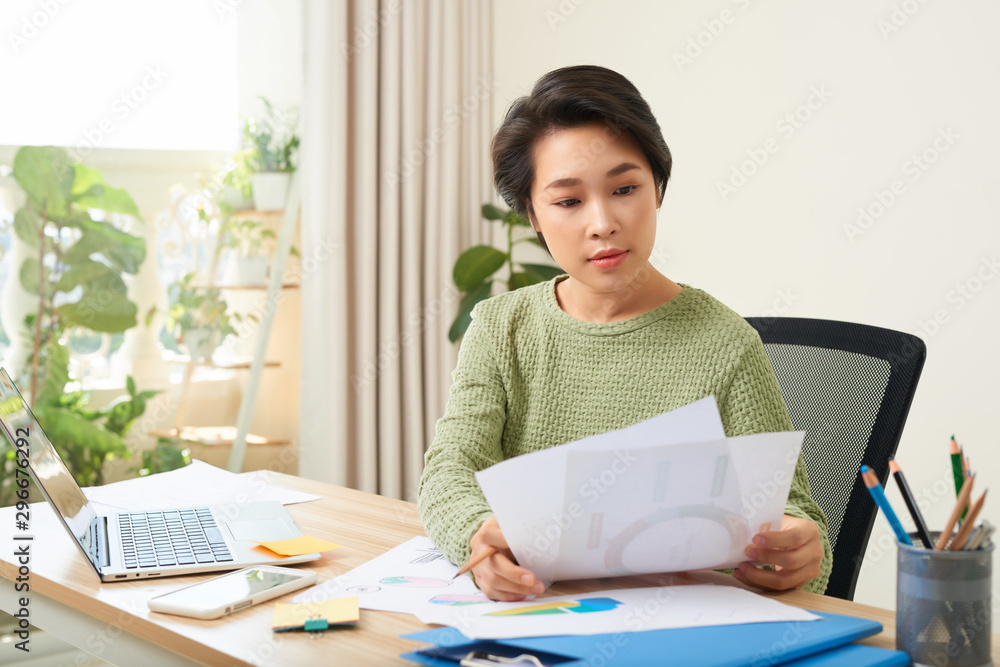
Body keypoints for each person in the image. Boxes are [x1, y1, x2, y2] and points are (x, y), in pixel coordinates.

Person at [418, 65, 831, 601]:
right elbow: (449, 468)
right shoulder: (502, 328)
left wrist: (796, 548)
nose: (602, 222)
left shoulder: (725, 343)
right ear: (532, 216)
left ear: (657, 189)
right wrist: (478, 536)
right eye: (568, 201)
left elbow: (789, 510)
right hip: (540, 618)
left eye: (625, 188)